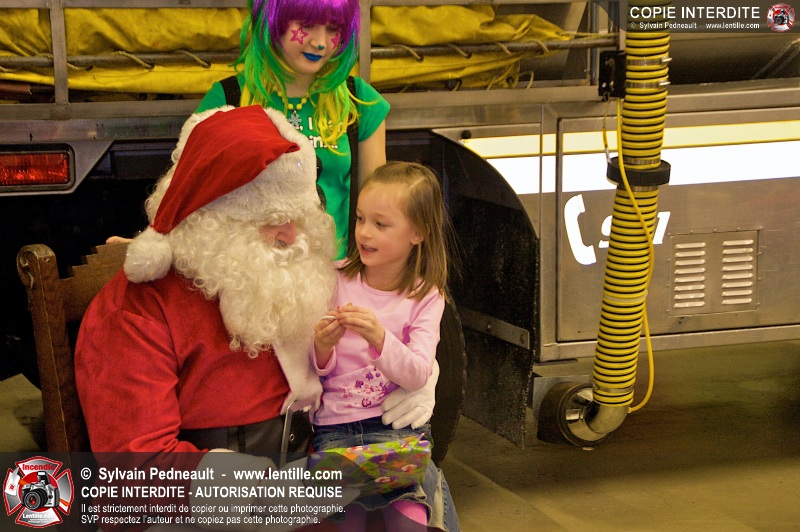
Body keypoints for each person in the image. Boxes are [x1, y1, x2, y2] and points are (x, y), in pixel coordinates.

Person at [73, 106, 416, 530]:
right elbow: (139, 469)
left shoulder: (294, 273)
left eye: (298, 217)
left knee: (422, 496)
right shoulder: (136, 309)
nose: (292, 236)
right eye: (273, 221)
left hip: (314, 478)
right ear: (212, 220)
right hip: (204, 512)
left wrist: (417, 374)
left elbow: (384, 326)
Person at [311, 162, 460, 531]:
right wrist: (322, 347)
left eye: (381, 224)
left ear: (418, 233)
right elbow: (312, 370)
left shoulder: (427, 297)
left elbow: (418, 374)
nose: (364, 232)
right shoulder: (333, 278)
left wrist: (380, 337)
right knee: (346, 521)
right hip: (335, 429)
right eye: (361, 219)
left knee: (409, 519)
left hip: (396, 429)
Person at [196, 0, 389, 260]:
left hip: (337, 271)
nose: (320, 43)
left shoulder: (360, 101)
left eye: (333, 29)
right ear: (273, 20)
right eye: (306, 25)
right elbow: (193, 205)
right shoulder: (227, 99)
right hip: (251, 270)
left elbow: (378, 210)